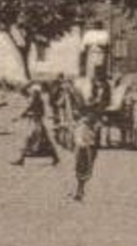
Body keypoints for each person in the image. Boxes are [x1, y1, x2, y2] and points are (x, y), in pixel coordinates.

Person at [70, 67, 111, 201]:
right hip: (84, 125)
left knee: (90, 156)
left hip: (93, 126)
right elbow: (80, 106)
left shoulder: (104, 91)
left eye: (101, 82)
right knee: (81, 154)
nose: (99, 84)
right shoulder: (88, 88)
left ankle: (81, 186)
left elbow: (101, 108)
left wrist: (95, 112)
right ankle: (79, 188)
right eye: (98, 81)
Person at [14, 84, 61, 166]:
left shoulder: (35, 100)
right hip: (36, 122)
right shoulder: (38, 100)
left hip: (36, 123)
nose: (32, 93)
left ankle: (21, 159)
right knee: (43, 141)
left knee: (30, 139)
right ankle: (55, 157)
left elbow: (29, 110)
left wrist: (22, 116)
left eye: (34, 92)